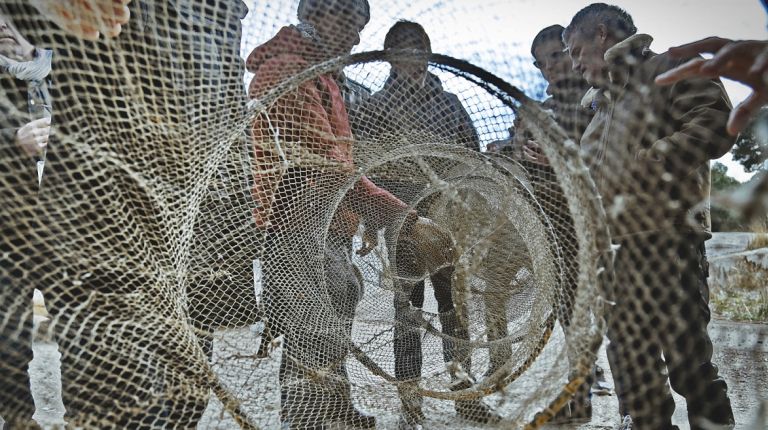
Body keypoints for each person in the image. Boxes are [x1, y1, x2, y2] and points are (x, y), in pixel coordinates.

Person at [1, 1, 252, 427]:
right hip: (46, 236)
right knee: (39, 363)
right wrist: (13, 141)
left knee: (173, 368)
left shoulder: (84, 66)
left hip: (138, 228)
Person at [247, 3, 450, 428]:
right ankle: (307, 420)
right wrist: (409, 220)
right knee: (312, 333)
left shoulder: (323, 74)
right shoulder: (289, 73)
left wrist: (365, 219)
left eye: (362, 28)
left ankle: (336, 407)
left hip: (328, 224)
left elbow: (342, 166)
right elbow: (331, 171)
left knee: (336, 312)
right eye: (350, 25)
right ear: (318, 14)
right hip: (298, 226)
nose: (357, 39)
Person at [563, 4, 735, 429]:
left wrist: (643, 164)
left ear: (601, 34)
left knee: (688, 363)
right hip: (614, 254)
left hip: (667, 239)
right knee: (632, 369)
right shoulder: (600, 109)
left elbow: (716, 122)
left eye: (576, 50)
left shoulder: (671, 67)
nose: (574, 63)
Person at [350, 20, 500, 429]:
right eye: (401, 49)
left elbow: (472, 157)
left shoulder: (450, 103)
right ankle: (411, 406)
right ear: (390, 56)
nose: (411, 56)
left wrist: (468, 209)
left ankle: (464, 397)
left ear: (428, 52)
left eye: (418, 48)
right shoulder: (374, 107)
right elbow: (364, 168)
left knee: (456, 312)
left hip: (450, 224)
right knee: (407, 315)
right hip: (404, 226)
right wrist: (370, 219)